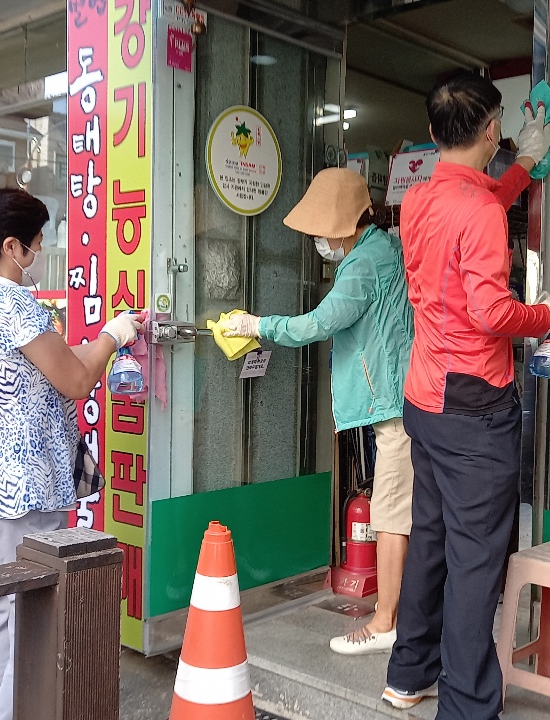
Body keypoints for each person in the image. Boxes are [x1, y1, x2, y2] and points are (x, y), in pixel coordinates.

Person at [382, 71, 550, 718]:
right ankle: (467, 707)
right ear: (490, 128)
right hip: (474, 404)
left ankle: (407, 673)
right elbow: (494, 312)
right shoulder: (477, 212)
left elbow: (483, 199)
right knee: (475, 562)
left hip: (425, 396)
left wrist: (524, 163)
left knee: (433, 538)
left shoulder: (418, 198)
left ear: (435, 132)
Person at [0, 187, 143, 720]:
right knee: (29, 622)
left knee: (8, 618)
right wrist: (114, 334)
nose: (37, 255)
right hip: (23, 490)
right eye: (34, 244)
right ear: (12, 246)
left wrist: (94, 346)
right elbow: (76, 379)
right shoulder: (10, 304)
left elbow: (48, 369)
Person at [217, 168, 415, 655]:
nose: (320, 242)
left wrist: (258, 325)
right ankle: (400, 612)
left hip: (393, 406)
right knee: (403, 511)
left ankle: (387, 620)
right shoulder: (377, 251)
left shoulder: (368, 261)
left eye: (323, 232)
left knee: (391, 514)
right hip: (394, 400)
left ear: (347, 224)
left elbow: (320, 323)